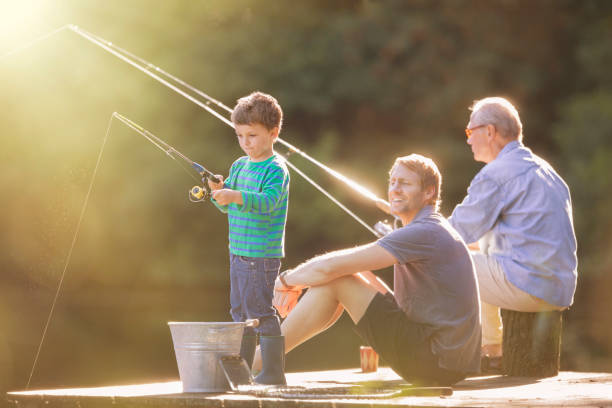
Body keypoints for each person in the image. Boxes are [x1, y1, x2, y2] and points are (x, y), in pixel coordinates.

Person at [263, 154, 481, 386]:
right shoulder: (432, 227)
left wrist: (285, 281)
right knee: (346, 276)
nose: (395, 189)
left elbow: (330, 267)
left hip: (435, 363)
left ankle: (259, 361)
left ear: (429, 192)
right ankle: (263, 360)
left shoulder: (425, 232)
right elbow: (349, 272)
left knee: (338, 279)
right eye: (393, 181)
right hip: (446, 362)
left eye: (405, 183)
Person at [448, 97, 577, 368]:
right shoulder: (548, 172)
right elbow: (476, 240)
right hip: (559, 290)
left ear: (490, 131)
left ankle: (452, 354)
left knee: (446, 261)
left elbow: (451, 234)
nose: (468, 140)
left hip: (530, 285)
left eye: (470, 132)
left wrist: (412, 231)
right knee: (470, 254)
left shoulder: (496, 174)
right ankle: (491, 350)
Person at [208, 91, 290, 385]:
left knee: (261, 312)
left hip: (262, 256)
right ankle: (241, 371)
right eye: (240, 135)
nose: (246, 142)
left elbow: (267, 202)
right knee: (239, 312)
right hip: (237, 252)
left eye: (252, 135)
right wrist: (219, 192)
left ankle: (273, 372)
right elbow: (227, 205)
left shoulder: (276, 168)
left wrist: (236, 195)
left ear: (273, 133)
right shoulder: (239, 165)